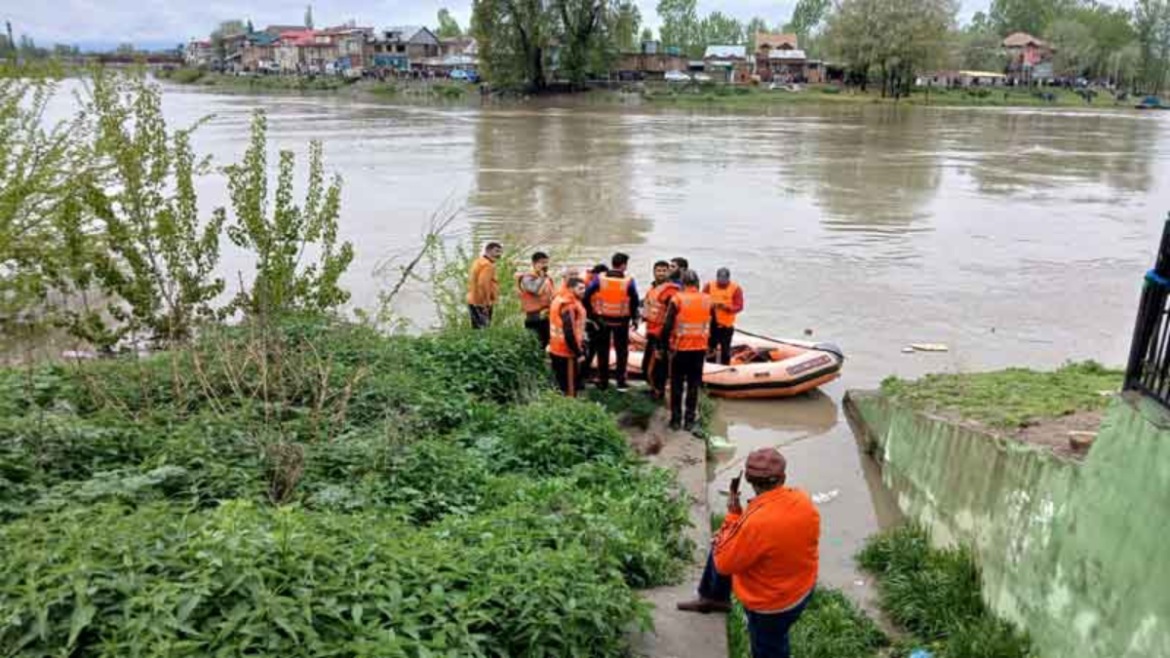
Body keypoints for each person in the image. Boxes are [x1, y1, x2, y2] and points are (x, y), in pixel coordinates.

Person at [677, 448, 820, 658]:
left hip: (773, 605)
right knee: (725, 541)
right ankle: (714, 597)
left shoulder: (757, 523)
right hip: (802, 585)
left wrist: (732, 519)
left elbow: (724, 564)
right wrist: (734, 530)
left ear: (750, 481)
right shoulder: (802, 500)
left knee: (769, 647)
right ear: (783, 478)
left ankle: (714, 597)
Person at [661, 269, 710, 431]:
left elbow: (667, 325)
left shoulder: (677, 299)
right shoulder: (707, 299)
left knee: (676, 385)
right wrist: (712, 344)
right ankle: (689, 421)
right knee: (693, 385)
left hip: (679, 349)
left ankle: (676, 420)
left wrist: (663, 346)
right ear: (697, 283)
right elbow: (714, 325)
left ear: (682, 283)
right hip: (699, 348)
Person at [583, 253, 639, 391]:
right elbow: (635, 300)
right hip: (622, 321)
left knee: (603, 351)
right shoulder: (628, 281)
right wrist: (634, 318)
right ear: (624, 265)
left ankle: (603, 382)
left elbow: (586, 296)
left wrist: (592, 315)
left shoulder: (600, 279)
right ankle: (621, 382)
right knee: (622, 351)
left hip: (602, 320)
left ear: (613, 263)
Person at [641, 260, 679, 399]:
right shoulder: (652, 288)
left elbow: (673, 315)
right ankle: (654, 389)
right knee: (648, 365)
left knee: (656, 367)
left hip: (661, 334)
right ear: (654, 272)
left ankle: (658, 392)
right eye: (658, 270)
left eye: (664, 270)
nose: (661, 273)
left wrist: (665, 338)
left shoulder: (671, 291)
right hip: (651, 331)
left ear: (668, 272)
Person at [549, 277, 588, 397]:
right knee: (570, 387)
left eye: (584, 288)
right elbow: (569, 331)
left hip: (555, 347)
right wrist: (578, 352)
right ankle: (570, 408)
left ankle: (559, 406)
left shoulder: (559, 299)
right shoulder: (569, 305)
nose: (584, 291)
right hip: (566, 351)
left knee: (561, 383)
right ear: (571, 289)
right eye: (580, 288)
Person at [703, 268, 744, 365]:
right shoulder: (709, 286)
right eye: (720, 278)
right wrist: (710, 305)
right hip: (711, 326)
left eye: (724, 278)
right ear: (717, 277)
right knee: (710, 349)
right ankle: (711, 367)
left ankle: (725, 368)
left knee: (725, 350)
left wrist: (726, 307)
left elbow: (739, 306)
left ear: (728, 278)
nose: (722, 280)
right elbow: (701, 300)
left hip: (726, 326)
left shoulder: (736, 288)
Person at [516, 251, 555, 348]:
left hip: (546, 316)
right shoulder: (527, 277)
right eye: (542, 263)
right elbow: (534, 290)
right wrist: (542, 277)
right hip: (533, 317)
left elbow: (552, 294)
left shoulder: (547, 278)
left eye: (546, 263)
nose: (545, 265)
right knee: (534, 344)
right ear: (534, 264)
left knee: (546, 342)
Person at [467, 242, 502, 329]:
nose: (499, 254)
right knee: (484, 330)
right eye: (496, 251)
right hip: (481, 302)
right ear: (488, 251)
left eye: (500, 252)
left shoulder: (479, 261)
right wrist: (486, 303)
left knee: (476, 329)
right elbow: (483, 284)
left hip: (472, 299)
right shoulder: (488, 265)